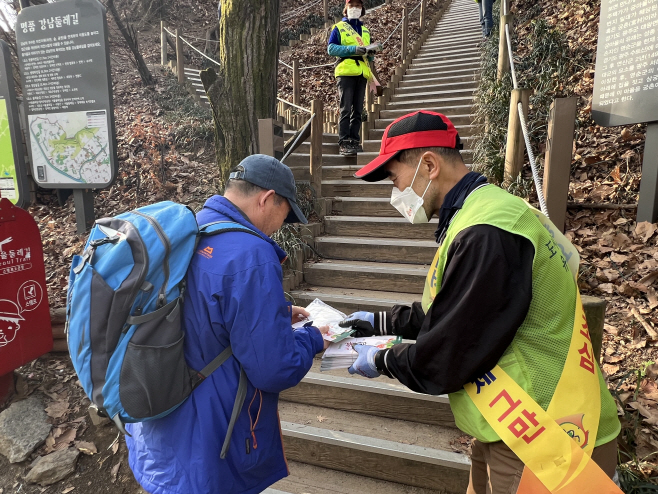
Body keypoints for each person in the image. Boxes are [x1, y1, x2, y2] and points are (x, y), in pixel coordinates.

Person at [341, 111, 621, 493]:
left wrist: (381, 358)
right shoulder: (488, 211)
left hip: (544, 435)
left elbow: (450, 348)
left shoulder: (485, 233)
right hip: (513, 425)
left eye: (395, 178)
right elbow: (454, 309)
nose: (395, 192)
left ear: (428, 164)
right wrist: (381, 322)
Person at [125, 154, 329, 494]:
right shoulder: (251, 253)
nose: (283, 225)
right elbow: (274, 369)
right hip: (210, 444)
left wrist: (276, 311)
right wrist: (312, 339)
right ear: (267, 199)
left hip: (156, 426)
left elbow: (202, 306)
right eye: (285, 214)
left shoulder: (192, 228)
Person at [328, 0, 381, 156]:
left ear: (362, 8)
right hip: (345, 70)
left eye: (358, 6)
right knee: (346, 108)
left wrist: (371, 53)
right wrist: (352, 49)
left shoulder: (365, 30)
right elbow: (331, 48)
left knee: (358, 109)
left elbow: (367, 55)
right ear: (346, 8)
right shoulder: (339, 27)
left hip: (362, 72)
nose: (355, 8)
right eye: (352, 5)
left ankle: (354, 140)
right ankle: (344, 141)